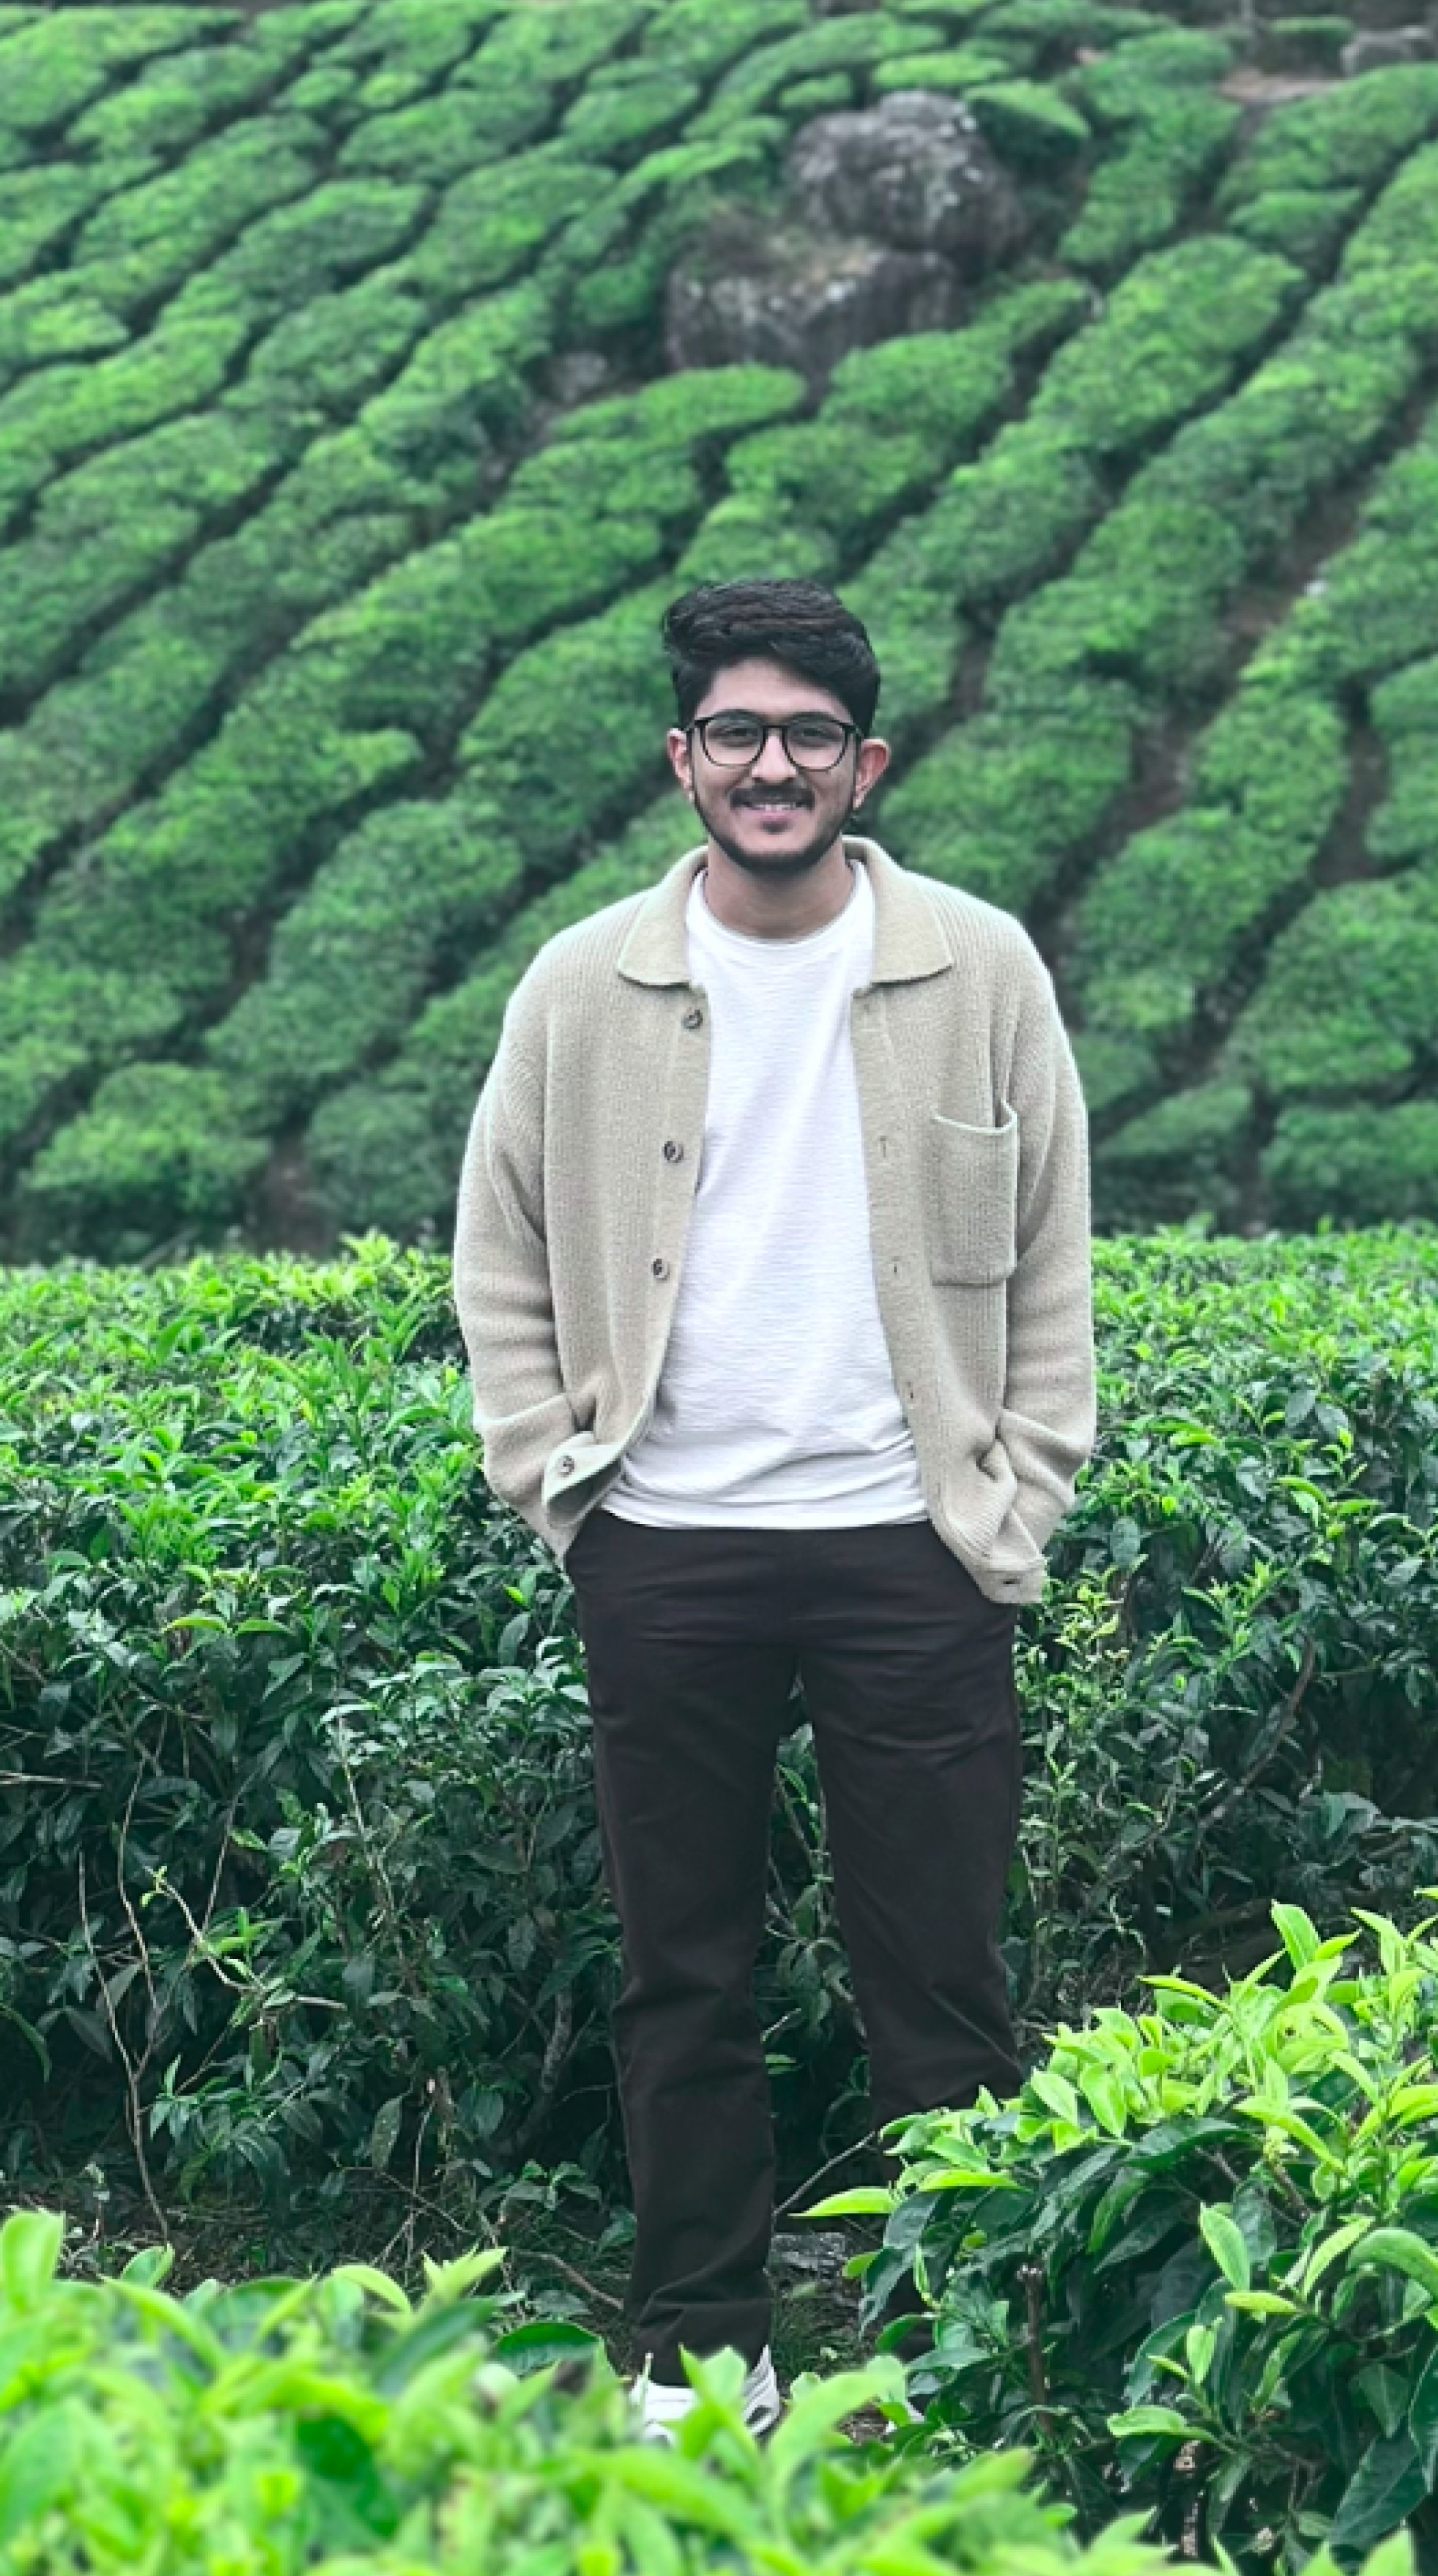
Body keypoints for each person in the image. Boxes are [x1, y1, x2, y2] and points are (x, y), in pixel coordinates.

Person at [451, 577, 1096, 2442]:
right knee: (683, 1974)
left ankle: (958, 2341)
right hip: (668, 1545)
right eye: (734, 733)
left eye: (809, 735)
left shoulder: (978, 970)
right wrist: (548, 1473)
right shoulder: (586, 985)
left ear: (863, 761)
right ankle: (693, 2348)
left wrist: (1019, 1482)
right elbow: (497, 1248)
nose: (771, 765)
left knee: (939, 1983)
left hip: (915, 1544)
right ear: (682, 761)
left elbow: (1051, 1253)